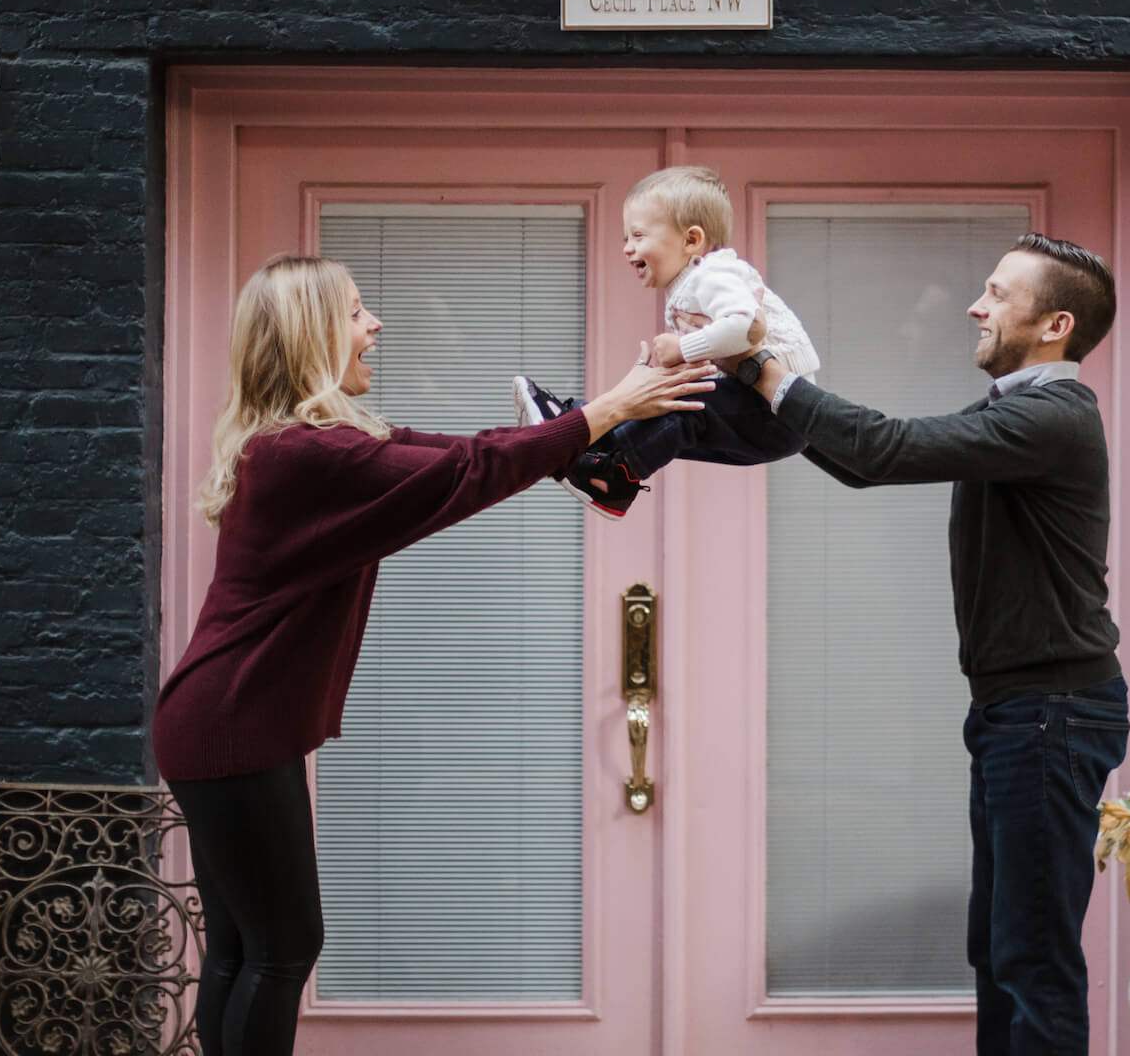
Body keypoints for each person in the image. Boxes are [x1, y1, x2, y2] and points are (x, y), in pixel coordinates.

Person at [150, 255, 712, 1056]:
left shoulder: (309, 444)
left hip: (219, 721)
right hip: (232, 723)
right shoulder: (310, 457)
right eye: (353, 312)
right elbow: (470, 471)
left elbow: (468, 451)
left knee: (246, 948)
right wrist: (612, 408)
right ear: (312, 333)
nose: (373, 323)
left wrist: (599, 415)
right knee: (283, 947)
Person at [731, 233, 1128, 1056]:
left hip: (1051, 715)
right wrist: (768, 395)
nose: (976, 306)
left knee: (1033, 959)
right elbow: (867, 461)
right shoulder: (1014, 412)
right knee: (1000, 949)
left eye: (997, 292)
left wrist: (773, 374)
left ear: (1055, 325)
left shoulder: (1051, 417)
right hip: (1021, 713)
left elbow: (887, 449)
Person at [510, 165, 819, 519]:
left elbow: (748, 326)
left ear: (691, 241)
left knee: (677, 406)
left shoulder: (713, 273)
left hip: (777, 411)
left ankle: (599, 456)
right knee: (667, 407)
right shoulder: (690, 286)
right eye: (626, 238)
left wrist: (682, 349)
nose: (628, 248)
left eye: (639, 236)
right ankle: (592, 454)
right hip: (770, 420)